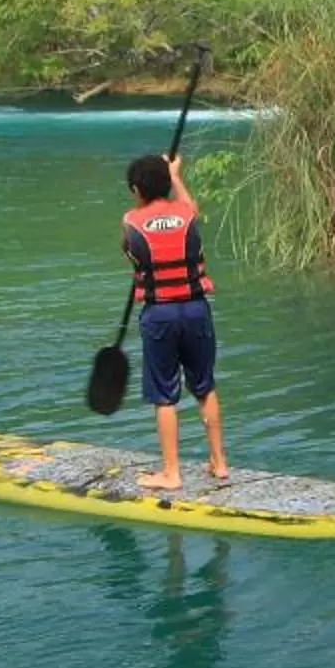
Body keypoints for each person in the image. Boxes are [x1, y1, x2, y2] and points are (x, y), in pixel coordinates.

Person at [122, 151, 230, 492]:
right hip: (197, 310)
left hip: (161, 316)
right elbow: (189, 207)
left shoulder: (130, 222)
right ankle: (219, 463)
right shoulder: (187, 214)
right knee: (204, 385)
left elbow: (131, 253)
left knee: (164, 395)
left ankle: (171, 473)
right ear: (168, 184)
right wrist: (176, 176)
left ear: (137, 190)